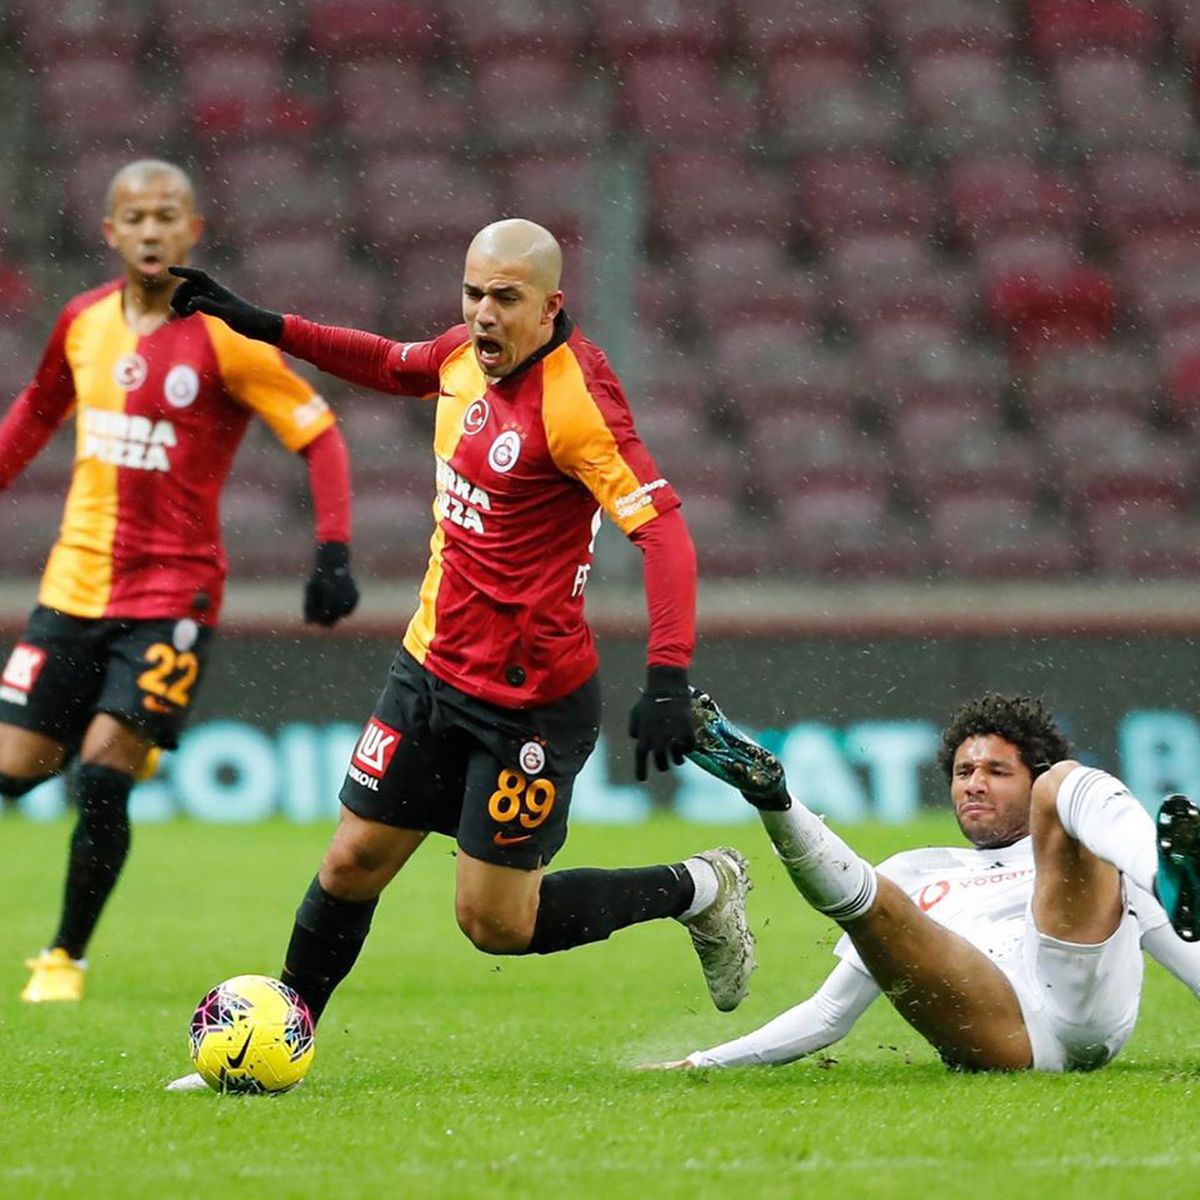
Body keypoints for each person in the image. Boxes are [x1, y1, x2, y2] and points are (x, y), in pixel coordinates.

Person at [163, 218, 753, 1088]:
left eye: (505, 298)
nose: (482, 313)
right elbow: (387, 362)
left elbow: (662, 533)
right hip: (429, 668)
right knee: (351, 861)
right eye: (473, 293)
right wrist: (264, 323)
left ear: (550, 306)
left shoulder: (577, 401)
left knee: (494, 924)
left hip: (529, 702)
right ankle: (279, 1041)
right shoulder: (461, 357)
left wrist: (667, 675)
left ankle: (698, 887)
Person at [0, 159, 360, 1003]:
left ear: (194, 230)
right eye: (136, 217)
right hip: (73, 585)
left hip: (173, 594)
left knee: (102, 774)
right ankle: (126, 725)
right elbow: (37, 413)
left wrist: (333, 551)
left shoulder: (225, 337)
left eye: (167, 215)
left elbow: (318, 432)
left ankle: (63, 958)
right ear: (110, 233)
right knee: (14, 771)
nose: (152, 230)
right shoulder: (83, 322)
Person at [651, 690, 1200, 1073]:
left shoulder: (1095, 855)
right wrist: (704, 1062)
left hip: (1082, 1001)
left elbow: (1189, 952)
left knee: (1068, 781)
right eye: (964, 772)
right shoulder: (917, 870)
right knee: (876, 897)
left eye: (997, 772)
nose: (974, 785)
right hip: (994, 1027)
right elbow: (829, 1014)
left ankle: (1163, 867)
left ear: (1029, 787)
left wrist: (1152, 880)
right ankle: (773, 799)